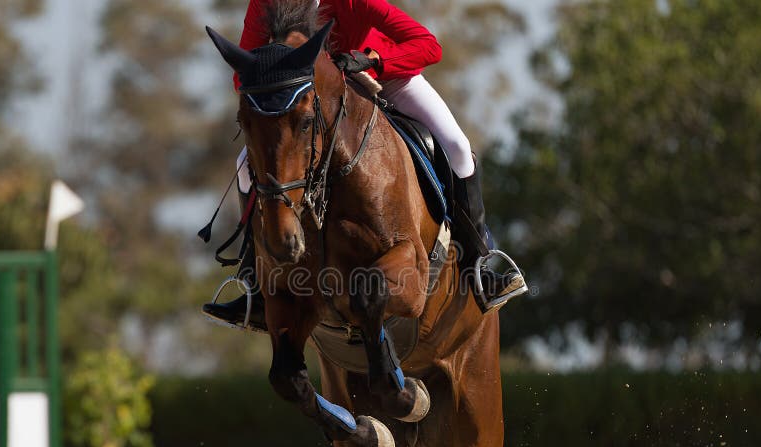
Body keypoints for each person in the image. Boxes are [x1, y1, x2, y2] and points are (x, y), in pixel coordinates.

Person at [202, 0, 524, 329]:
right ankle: (254, 280)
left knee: (457, 146)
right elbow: (242, 76)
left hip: (386, 79)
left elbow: (429, 45)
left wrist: (373, 59)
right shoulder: (266, 4)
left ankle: (479, 263)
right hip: (314, 100)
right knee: (245, 164)